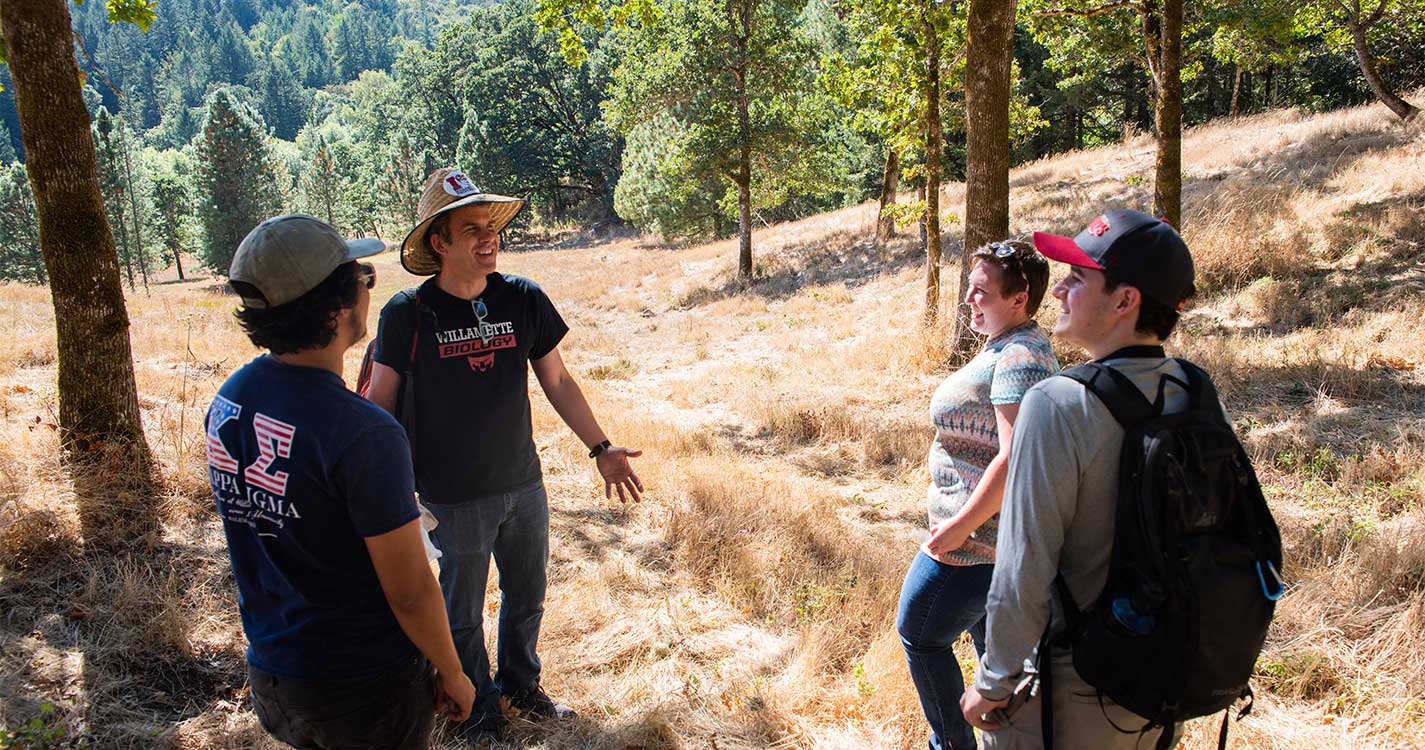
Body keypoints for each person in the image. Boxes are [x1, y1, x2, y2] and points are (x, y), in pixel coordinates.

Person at [365, 168, 644, 747]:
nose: (488, 238)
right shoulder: (408, 314)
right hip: (447, 496)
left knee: (527, 596)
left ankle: (521, 686)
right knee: (460, 613)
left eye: (490, 227)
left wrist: (601, 447)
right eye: (471, 230)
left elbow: (558, 380)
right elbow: (379, 406)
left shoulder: (522, 298)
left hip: (523, 485)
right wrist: (385, 492)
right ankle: (477, 710)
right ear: (438, 243)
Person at [206, 214, 474, 750]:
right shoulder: (363, 432)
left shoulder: (231, 398)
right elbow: (411, 592)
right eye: (362, 278)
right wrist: (453, 672)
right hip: (360, 682)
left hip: (274, 669)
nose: (368, 289)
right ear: (336, 308)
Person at [960, 209, 1198, 748]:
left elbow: (1025, 565)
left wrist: (993, 682)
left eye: (1078, 277)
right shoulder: (1193, 391)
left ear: (1124, 301)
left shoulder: (1058, 403)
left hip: (1071, 690)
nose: (1060, 288)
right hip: (1162, 677)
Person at [897, 240, 1059, 750]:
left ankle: (951, 744)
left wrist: (961, 527)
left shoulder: (1021, 356)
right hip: (986, 542)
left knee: (919, 633)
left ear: (1020, 297)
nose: (969, 299)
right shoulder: (1007, 346)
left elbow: (1014, 460)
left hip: (976, 545)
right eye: (970, 287)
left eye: (981, 291)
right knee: (997, 657)